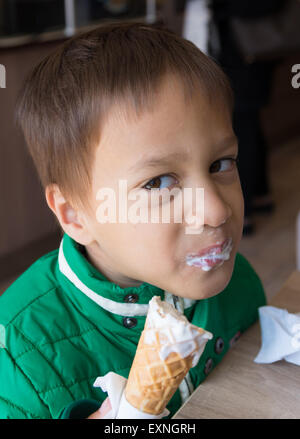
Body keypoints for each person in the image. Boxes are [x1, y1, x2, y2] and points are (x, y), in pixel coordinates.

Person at [0, 22, 266, 419]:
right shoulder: (18, 357)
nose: (216, 210)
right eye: (158, 182)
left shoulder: (237, 282)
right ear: (75, 214)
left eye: (220, 163)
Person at [208, 0, 284, 235]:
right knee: (250, 124)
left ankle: (246, 208)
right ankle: (261, 195)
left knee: (242, 128)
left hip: (245, 53)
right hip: (251, 49)